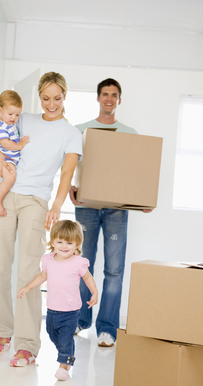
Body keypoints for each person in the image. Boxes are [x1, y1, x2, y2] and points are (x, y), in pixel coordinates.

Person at [0, 72, 82, 367]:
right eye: (46, 98)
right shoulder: (24, 119)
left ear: (65, 97)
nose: (51, 104)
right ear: (39, 96)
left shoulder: (70, 133)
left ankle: (27, 345)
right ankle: (3, 330)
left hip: (36, 202)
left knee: (28, 271)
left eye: (57, 98)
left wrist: (56, 205)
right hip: (7, 194)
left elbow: (66, 173)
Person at [69, 78, 152, 347]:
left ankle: (107, 329)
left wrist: (144, 200)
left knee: (114, 271)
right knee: (82, 266)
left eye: (114, 95)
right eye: (105, 94)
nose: (109, 98)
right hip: (87, 208)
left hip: (116, 211)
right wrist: (71, 187)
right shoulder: (81, 131)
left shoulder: (129, 132)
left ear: (119, 100)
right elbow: (70, 167)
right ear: (98, 98)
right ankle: (81, 320)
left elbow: (137, 172)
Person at [17, 220, 98, 380]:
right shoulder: (48, 260)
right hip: (52, 310)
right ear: (52, 241)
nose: (64, 246)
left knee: (66, 338)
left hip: (71, 311)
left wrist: (94, 292)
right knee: (52, 334)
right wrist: (28, 287)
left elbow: (88, 278)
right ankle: (66, 352)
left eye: (69, 242)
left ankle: (64, 365)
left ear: (77, 244)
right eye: (59, 241)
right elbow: (42, 276)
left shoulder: (78, 263)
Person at [0, 90, 30, 217]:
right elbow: (5, 144)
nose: (14, 118)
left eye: (17, 114)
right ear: (0, 110)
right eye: (10, 113)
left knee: (10, 178)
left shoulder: (9, 123)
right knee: (10, 178)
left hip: (9, 159)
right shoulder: (1, 126)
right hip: (5, 158)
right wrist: (20, 145)